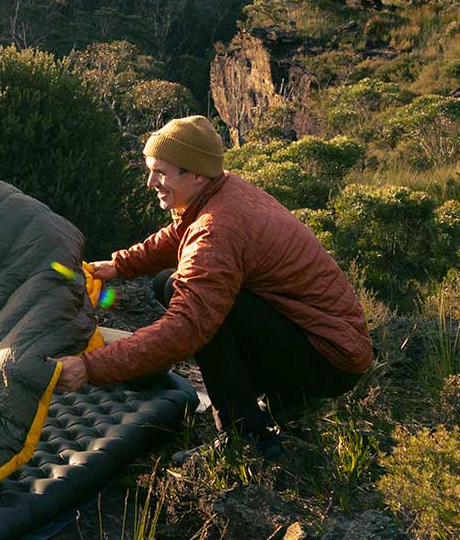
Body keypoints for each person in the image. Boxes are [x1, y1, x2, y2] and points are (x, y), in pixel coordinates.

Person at [51, 115, 372, 457]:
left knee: (202, 314)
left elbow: (185, 329)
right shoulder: (222, 191)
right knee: (170, 283)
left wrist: (90, 367)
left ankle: (245, 436)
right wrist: (120, 265)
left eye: (160, 171)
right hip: (321, 338)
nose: (150, 182)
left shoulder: (218, 228)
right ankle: (280, 398)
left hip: (328, 360)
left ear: (196, 174)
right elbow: (181, 233)